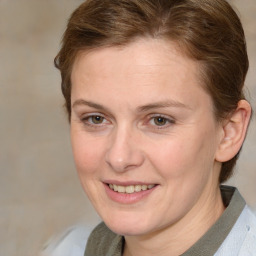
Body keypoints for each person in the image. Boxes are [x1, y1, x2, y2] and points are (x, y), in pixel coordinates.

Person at [51, 0, 256, 255]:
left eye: (159, 120)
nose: (119, 157)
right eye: (96, 118)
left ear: (228, 132)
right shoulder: (66, 249)